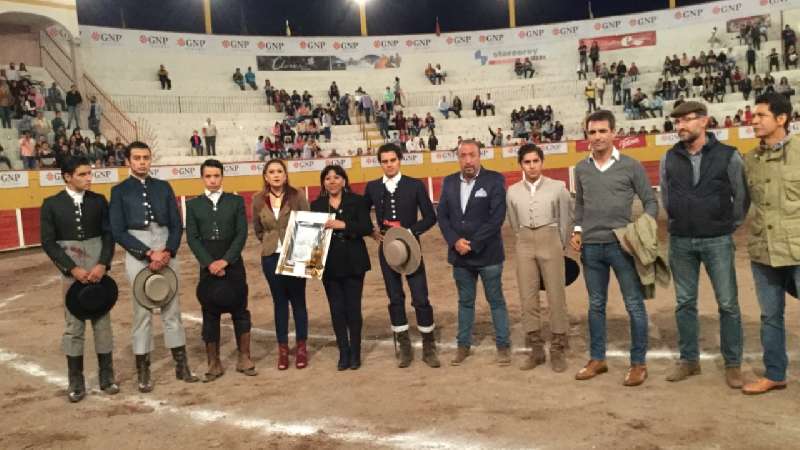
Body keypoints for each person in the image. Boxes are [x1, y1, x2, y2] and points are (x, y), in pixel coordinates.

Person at [660, 101, 748, 388]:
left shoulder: (729, 156)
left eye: (687, 120)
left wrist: (724, 225)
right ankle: (689, 360)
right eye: (678, 121)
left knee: (728, 304)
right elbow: (667, 200)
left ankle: (733, 363)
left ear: (704, 122)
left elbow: (741, 199)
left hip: (717, 240)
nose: (681, 126)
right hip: (681, 240)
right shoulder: (669, 158)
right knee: (685, 303)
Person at [571, 110, 658, 386]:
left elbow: (650, 202)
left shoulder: (631, 166)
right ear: (587, 135)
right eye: (592, 132)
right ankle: (598, 359)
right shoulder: (581, 168)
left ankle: (638, 364)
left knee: (634, 304)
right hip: (592, 248)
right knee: (596, 305)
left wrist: (644, 229)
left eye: (602, 131)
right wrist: (577, 230)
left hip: (623, 245)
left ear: (613, 133)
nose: (596, 137)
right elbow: (581, 205)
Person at [109, 141, 199, 392]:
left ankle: (182, 366)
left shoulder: (163, 186)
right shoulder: (119, 191)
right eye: (136, 158)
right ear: (128, 161)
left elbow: (175, 223)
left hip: (165, 247)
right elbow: (117, 230)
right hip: (139, 249)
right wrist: (147, 252)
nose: (142, 162)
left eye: (146, 158)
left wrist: (168, 251)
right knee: (142, 312)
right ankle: (144, 371)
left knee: (172, 309)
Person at [40, 155, 119, 402]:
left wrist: (103, 264)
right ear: (67, 176)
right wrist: (70, 268)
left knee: (102, 321)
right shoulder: (52, 204)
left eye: (89, 174)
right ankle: (76, 379)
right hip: (70, 266)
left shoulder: (98, 201)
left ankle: (107, 376)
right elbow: (48, 242)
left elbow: (108, 235)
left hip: (97, 265)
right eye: (83, 174)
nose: (88, 178)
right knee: (73, 324)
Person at [741, 93, 800, 395]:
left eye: (761, 115)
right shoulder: (750, 159)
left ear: (781, 119)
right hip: (763, 251)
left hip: (798, 249)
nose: (754, 120)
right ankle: (775, 373)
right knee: (770, 317)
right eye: (754, 115)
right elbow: (744, 204)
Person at [364, 144, 439, 368]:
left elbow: (430, 217)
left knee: (420, 297)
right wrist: (370, 230)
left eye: (392, 160)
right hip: (386, 248)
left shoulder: (414, 185)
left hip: (411, 246)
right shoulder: (373, 187)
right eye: (385, 161)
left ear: (400, 160)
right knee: (395, 297)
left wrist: (410, 231)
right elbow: (359, 211)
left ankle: (428, 346)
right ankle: (404, 346)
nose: (389, 164)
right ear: (380, 163)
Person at [437, 140, 511, 366]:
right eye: (463, 156)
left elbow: (496, 218)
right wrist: (454, 241)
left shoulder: (495, 180)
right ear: (458, 158)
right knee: (465, 301)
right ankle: (463, 346)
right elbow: (443, 217)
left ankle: (503, 345)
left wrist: (472, 243)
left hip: (488, 254)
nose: (468, 160)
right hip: (460, 256)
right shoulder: (449, 182)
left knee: (496, 301)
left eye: (472, 155)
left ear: (480, 156)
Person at [185, 159, 255, 382]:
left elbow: (241, 234)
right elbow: (193, 238)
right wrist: (209, 262)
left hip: (232, 262)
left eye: (216, 176)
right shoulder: (193, 205)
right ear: (203, 178)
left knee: (240, 308)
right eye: (208, 176)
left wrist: (225, 260)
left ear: (222, 177)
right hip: (208, 265)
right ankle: (213, 362)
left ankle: (244, 357)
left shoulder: (235, 201)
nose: (213, 180)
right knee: (210, 311)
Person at [506, 144, 572, 372]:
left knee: (556, 295)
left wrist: (560, 244)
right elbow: (514, 222)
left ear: (542, 163)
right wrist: (524, 237)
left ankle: (557, 347)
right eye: (527, 162)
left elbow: (566, 220)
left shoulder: (558, 187)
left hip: (550, 239)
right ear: (521, 165)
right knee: (527, 296)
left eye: (535, 161)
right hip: (524, 241)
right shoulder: (512, 191)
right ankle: (536, 349)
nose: (532, 166)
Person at [310, 165, 372, 370]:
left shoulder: (357, 201)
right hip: (329, 264)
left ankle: (356, 352)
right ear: (323, 183)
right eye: (327, 178)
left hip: (354, 262)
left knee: (353, 308)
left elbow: (366, 227)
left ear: (344, 181)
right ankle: (343, 352)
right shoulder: (316, 204)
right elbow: (311, 237)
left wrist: (342, 225)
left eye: (336, 177)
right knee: (336, 310)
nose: (332, 181)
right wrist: (310, 264)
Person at [253, 159, 311, 369]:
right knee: (279, 303)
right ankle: (283, 350)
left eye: (279, 171)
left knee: (298, 302)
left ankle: (302, 348)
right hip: (270, 256)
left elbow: (308, 223)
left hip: (295, 255)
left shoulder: (297, 196)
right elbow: (258, 230)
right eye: (271, 172)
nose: (276, 175)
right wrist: (271, 243)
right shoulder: (258, 200)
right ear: (266, 177)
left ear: (285, 175)